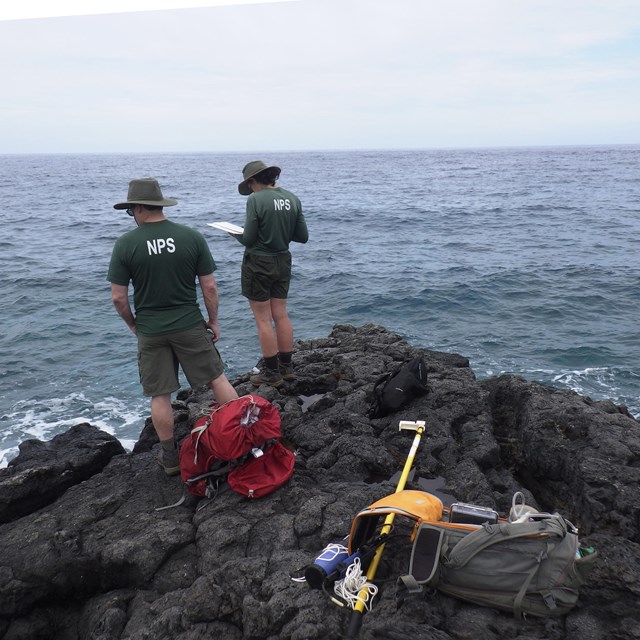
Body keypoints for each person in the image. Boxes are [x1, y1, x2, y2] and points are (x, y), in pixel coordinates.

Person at [107, 177, 238, 476]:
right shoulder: (191, 237)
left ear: (139, 208)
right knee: (217, 379)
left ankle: (169, 458)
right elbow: (210, 287)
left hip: (151, 330)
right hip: (190, 325)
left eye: (131, 211)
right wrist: (213, 320)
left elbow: (118, 297)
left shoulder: (126, 244)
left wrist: (133, 325)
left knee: (160, 395)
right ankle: (238, 435)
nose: (133, 217)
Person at [235, 160, 309, 387]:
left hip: (259, 261)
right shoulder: (292, 198)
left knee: (263, 318)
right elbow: (302, 236)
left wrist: (237, 235)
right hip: (282, 260)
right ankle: (287, 367)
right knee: (281, 313)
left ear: (253, 181)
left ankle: (271, 372)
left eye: (250, 186)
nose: (251, 190)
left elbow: (248, 238)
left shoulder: (256, 199)